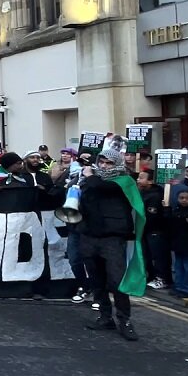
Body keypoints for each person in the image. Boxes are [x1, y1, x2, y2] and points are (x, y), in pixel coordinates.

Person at [78, 144, 141, 341]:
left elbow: (102, 187)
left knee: (116, 281)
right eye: (102, 162)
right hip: (90, 235)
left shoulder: (124, 180)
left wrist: (89, 176)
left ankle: (125, 320)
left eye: (109, 163)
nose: (104, 166)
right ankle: (105, 316)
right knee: (97, 280)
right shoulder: (91, 180)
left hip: (113, 237)